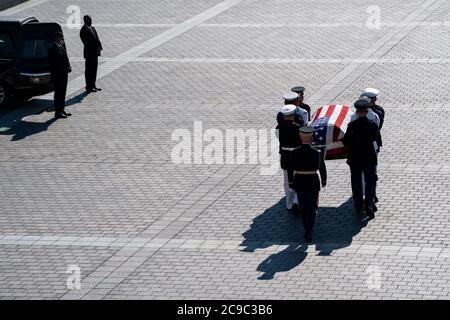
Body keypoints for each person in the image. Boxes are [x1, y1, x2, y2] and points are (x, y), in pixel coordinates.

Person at [343, 99, 379, 219]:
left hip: (355, 158)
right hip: (369, 156)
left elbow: (346, 141)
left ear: (357, 112)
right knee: (370, 182)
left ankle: (358, 205)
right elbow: (374, 137)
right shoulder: (372, 124)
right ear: (367, 110)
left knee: (356, 182)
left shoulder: (352, 126)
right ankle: (369, 204)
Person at [292, 126, 327, 243]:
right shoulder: (316, 152)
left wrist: (291, 182)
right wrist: (323, 180)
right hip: (312, 181)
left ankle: (306, 228)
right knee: (311, 207)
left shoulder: (294, 152)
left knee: (303, 207)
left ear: (300, 137)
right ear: (311, 137)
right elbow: (322, 167)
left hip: (299, 181)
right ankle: (309, 228)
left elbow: (290, 169)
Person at [276, 105, 303, 215]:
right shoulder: (298, 127)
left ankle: (289, 204)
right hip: (297, 156)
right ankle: (297, 200)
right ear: (293, 115)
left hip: (286, 156)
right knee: (299, 178)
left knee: (287, 180)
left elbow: (280, 139)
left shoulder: (278, 128)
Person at [48, 31, 72, 119]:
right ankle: (57, 112)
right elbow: (53, 64)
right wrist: (59, 72)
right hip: (58, 76)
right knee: (58, 94)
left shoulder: (61, 47)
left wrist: (68, 66)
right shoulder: (52, 49)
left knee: (63, 93)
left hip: (64, 75)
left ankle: (62, 109)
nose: (62, 40)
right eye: (60, 38)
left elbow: (65, 58)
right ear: (55, 38)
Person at [80, 15, 102, 93]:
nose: (90, 21)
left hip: (95, 53)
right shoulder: (83, 30)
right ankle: (88, 86)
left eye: (90, 19)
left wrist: (99, 46)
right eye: (88, 20)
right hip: (89, 54)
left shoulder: (92, 28)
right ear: (85, 20)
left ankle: (93, 85)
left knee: (94, 69)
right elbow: (86, 42)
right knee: (89, 70)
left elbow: (97, 38)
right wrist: (94, 47)